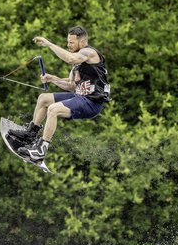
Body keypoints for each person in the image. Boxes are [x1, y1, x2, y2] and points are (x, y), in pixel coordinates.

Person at [9, 26, 110, 162]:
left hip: (92, 103)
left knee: (53, 109)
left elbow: (70, 58)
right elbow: (71, 85)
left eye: (71, 42)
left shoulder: (89, 52)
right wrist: (53, 79)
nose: (68, 45)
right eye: (67, 42)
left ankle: (40, 151)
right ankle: (30, 134)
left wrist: (49, 44)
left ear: (82, 42)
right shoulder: (78, 63)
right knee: (44, 99)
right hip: (80, 97)